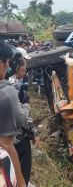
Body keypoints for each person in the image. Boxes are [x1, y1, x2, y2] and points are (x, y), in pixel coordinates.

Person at [0, 41, 27, 187]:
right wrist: (21, 182)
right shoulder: (7, 93)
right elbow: (7, 143)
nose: (8, 67)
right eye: (7, 62)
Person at [9, 58, 39, 186]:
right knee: (23, 171)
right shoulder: (13, 87)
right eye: (23, 68)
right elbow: (22, 117)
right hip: (18, 139)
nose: (25, 71)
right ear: (16, 67)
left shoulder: (8, 84)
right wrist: (33, 133)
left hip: (8, 138)